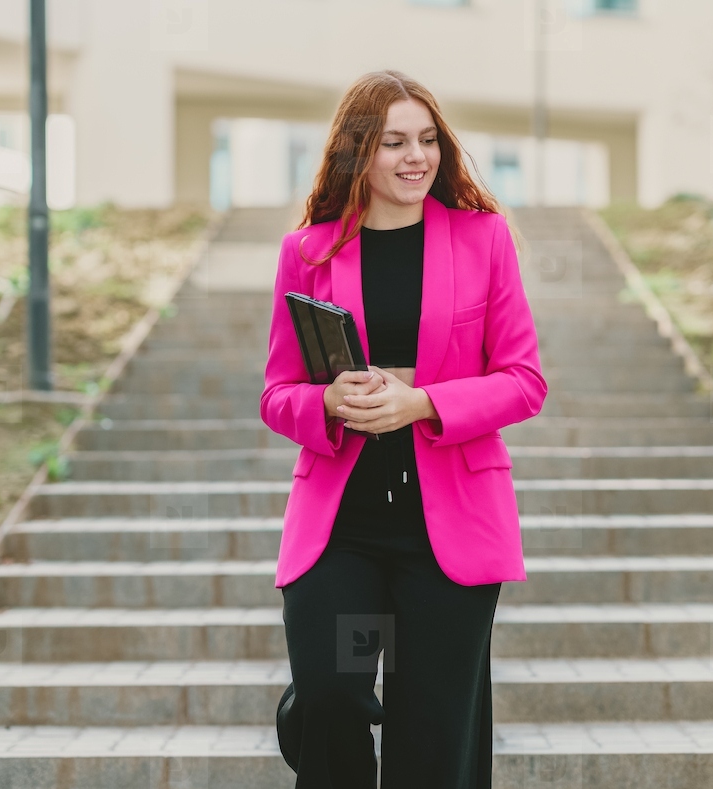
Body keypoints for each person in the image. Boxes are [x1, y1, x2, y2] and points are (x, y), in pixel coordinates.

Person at [259, 69, 548, 789]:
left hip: (445, 537)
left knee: (429, 736)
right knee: (334, 694)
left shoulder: (484, 240)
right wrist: (327, 401)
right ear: (360, 152)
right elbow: (276, 393)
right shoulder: (311, 251)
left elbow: (525, 381)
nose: (415, 156)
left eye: (426, 140)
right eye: (393, 142)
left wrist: (422, 403)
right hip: (344, 534)